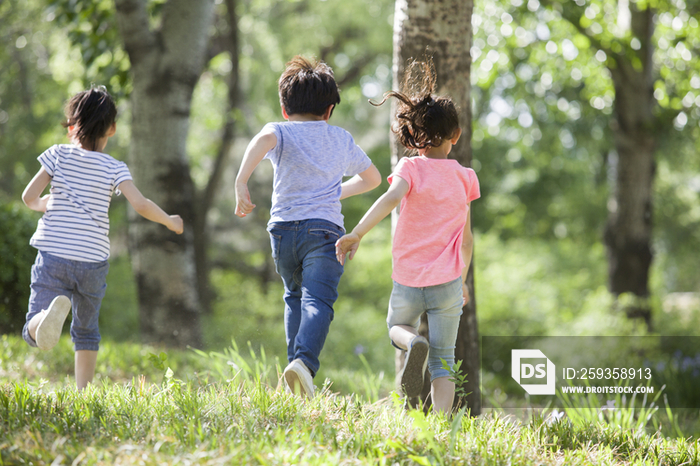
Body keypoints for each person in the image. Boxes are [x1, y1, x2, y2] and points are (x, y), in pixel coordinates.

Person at [335, 60, 480, 414]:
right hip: (448, 281)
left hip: (409, 278)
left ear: (418, 133)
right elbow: (468, 239)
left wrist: (356, 232)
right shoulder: (466, 177)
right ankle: (443, 431)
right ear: (455, 135)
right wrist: (461, 281)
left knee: (396, 326)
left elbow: (389, 200)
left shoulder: (410, 167)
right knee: (444, 359)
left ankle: (413, 341)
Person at [235, 56, 381, 398]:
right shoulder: (340, 138)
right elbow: (372, 179)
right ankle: (303, 363)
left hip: (282, 231)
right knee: (318, 299)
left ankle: (295, 375)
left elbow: (261, 140)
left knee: (294, 296)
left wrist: (241, 181)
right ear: (329, 110)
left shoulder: (280, 130)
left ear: (284, 108)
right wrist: (334, 191)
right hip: (324, 232)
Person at [21, 86, 184, 390]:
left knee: (32, 327)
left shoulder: (57, 155)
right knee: (86, 330)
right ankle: (84, 393)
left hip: (54, 252)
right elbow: (141, 205)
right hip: (93, 260)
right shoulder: (114, 168)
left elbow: (29, 197)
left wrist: (48, 204)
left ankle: (42, 320)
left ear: (72, 125)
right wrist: (170, 221)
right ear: (112, 128)